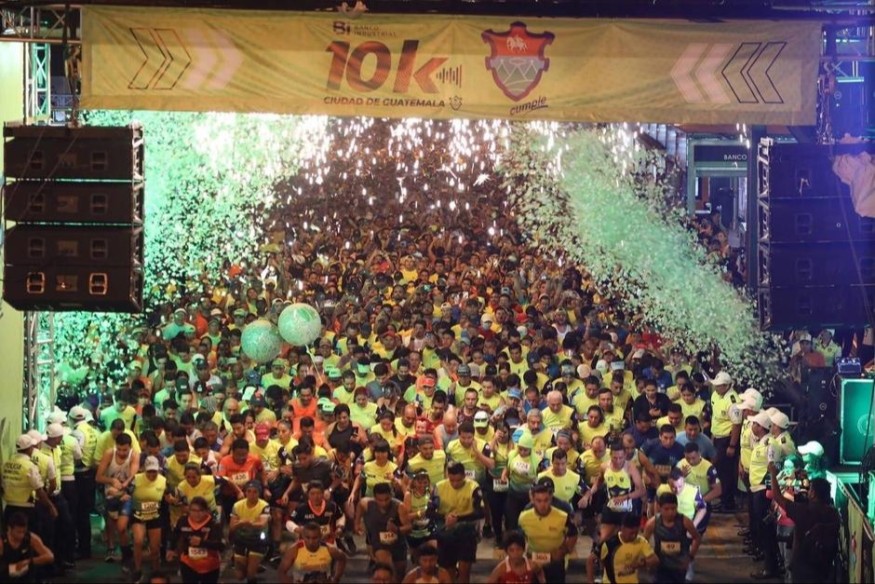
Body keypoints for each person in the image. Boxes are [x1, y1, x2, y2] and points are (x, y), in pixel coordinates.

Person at [768, 462, 839, 584]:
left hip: (803, 569)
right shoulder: (833, 513)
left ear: (814, 493)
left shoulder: (804, 511)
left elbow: (778, 497)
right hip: (824, 570)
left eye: (810, 489)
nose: (808, 491)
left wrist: (773, 474)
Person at [432, 461, 485, 583]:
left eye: (458, 480)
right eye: (452, 480)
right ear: (447, 476)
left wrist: (458, 518)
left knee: (464, 571)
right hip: (446, 532)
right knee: (448, 571)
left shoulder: (473, 487)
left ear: (464, 476)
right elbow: (429, 511)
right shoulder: (439, 487)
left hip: (466, 531)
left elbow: (480, 512)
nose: (455, 484)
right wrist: (445, 516)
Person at [517, 483, 578, 582]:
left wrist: (564, 549)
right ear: (533, 500)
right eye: (539, 501)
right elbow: (519, 538)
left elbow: (573, 534)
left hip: (555, 561)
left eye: (546, 500)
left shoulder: (562, 517)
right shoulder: (523, 517)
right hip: (533, 559)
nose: (542, 505)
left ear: (551, 499)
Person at [355, 482, 411, 579]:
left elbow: (409, 527)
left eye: (387, 499)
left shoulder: (399, 507)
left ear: (391, 495)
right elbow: (360, 505)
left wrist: (397, 529)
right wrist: (357, 523)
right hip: (379, 543)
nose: (384, 503)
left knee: (399, 574)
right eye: (380, 500)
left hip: (398, 544)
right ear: (374, 497)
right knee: (388, 570)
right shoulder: (367, 503)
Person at [643, 493, 701, 584]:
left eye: (673, 508)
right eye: (666, 509)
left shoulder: (684, 521)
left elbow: (696, 537)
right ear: (659, 507)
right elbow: (643, 542)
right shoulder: (652, 523)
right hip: (660, 565)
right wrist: (649, 557)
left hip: (679, 566)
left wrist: (690, 557)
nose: (670, 512)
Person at [587, 513, 658, 584]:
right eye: (631, 533)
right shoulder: (609, 543)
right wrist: (591, 581)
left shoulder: (641, 541)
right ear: (622, 528)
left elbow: (655, 560)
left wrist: (639, 564)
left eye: (636, 533)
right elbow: (590, 560)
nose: (634, 536)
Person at [130, 455, 168, 582]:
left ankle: (156, 571)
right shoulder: (136, 480)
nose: (152, 474)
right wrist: (122, 494)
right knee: (138, 541)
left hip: (154, 516)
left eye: (154, 471)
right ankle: (137, 570)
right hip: (138, 515)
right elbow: (126, 491)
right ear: (144, 470)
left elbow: (169, 495)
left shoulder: (163, 481)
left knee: (155, 548)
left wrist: (172, 499)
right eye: (149, 471)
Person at [168, 496, 223, 584]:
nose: (197, 514)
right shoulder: (183, 521)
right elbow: (175, 535)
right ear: (189, 510)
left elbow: (221, 546)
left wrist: (202, 542)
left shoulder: (213, 524)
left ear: (206, 511)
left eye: (200, 510)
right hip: (188, 564)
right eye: (193, 510)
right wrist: (171, 549)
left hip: (210, 566)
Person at [277, 522, 347, 584]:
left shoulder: (330, 549)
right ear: (303, 536)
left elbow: (342, 558)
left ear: (320, 536)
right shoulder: (294, 550)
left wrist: (336, 578)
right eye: (308, 538)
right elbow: (281, 572)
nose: (311, 542)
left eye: (314, 538)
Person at [230, 481, 270, 584]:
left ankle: (253, 567)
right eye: (249, 491)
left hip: (257, 541)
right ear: (245, 492)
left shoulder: (264, 505)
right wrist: (242, 523)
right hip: (241, 540)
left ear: (259, 493)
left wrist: (245, 522)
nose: (252, 494)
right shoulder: (237, 505)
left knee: (250, 575)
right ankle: (252, 565)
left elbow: (262, 524)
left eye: (255, 492)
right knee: (240, 576)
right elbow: (232, 527)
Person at [0, 512, 54, 583]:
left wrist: (29, 561)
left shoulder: (31, 538)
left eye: (23, 532)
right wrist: (12, 568)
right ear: (9, 528)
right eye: (18, 532)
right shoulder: (2, 542)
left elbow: (50, 556)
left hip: (27, 576)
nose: (21, 535)